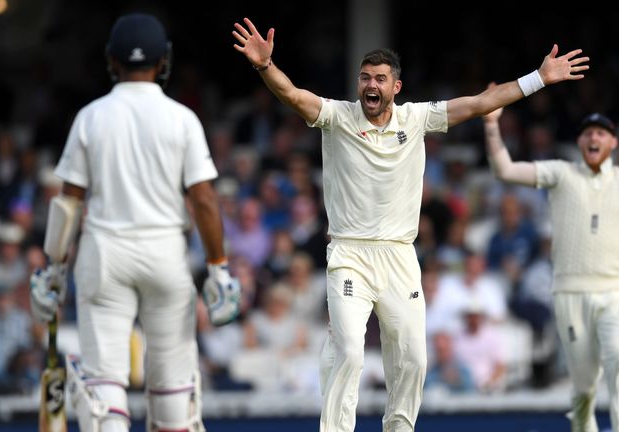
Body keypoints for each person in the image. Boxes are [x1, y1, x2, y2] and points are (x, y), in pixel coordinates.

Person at [233, 16, 589, 432]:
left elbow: (476, 104)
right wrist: (264, 66)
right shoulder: (338, 116)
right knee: (348, 349)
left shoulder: (416, 119)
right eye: (365, 77)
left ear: (395, 87)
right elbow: (293, 96)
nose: (371, 85)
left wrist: (539, 79)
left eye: (380, 79)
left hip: (400, 256)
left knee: (414, 358)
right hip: (350, 252)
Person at [29, 13, 240, 432]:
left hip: (104, 255)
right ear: (164, 61)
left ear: (112, 60)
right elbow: (203, 200)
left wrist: (53, 266)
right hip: (165, 256)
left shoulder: (91, 116)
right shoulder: (182, 118)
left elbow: (69, 202)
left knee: (104, 389)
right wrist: (218, 268)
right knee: (175, 397)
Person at [482, 107, 619, 432]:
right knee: (584, 388)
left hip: (617, 292)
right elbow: (505, 170)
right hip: (570, 295)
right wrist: (491, 124)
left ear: (613, 143)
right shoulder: (561, 173)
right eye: (588, 132)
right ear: (580, 141)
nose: (594, 137)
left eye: (601, 133)